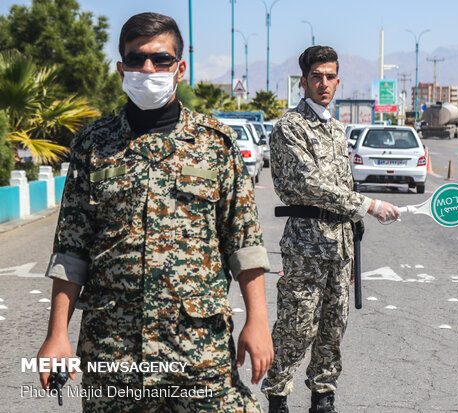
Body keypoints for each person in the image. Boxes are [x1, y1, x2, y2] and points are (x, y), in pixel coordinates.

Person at [37, 12, 273, 412]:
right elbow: (71, 250)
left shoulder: (216, 144)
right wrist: (56, 333)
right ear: (120, 68)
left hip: (199, 347)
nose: (148, 68)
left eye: (160, 59)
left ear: (180, 68)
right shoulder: (92, 146)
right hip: (113, 347)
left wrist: (258, 321)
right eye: (136, 59)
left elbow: (244, 241)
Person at [261, 46, 401, 413]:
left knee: (332, 329)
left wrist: (355, 234)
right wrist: (368, 205)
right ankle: (277, 397)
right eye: (316, 76)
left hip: (339, 246)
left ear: (338, 81)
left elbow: (344, 184)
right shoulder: (290, 127)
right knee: (296, 326)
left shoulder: (337, 130)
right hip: (306, 245)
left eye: (330, 76)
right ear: (303, 82)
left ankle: (323, 397)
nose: (324, 83)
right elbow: (310, 184)